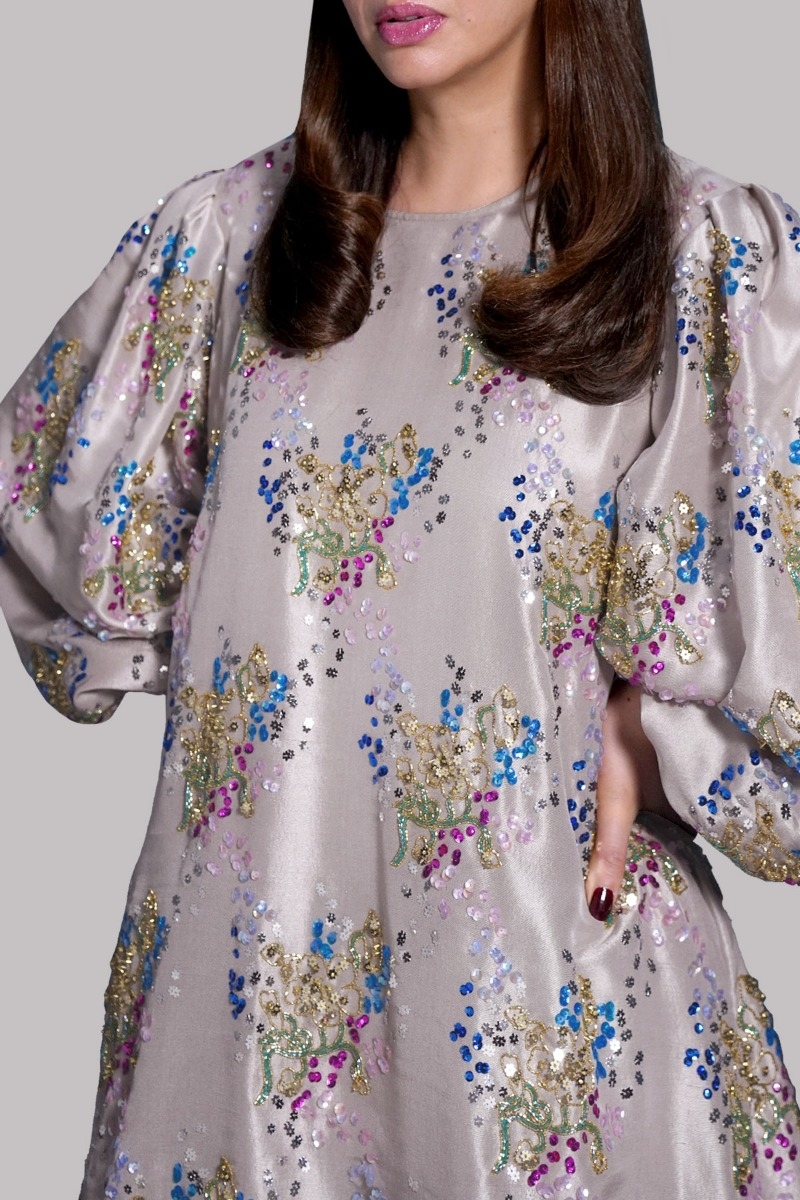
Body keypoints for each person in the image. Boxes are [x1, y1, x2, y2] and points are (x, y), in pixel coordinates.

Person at [0, 1, 798, 1197]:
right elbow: (48, 522)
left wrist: (658, 728)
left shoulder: (700, 261)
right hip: (240, 1044)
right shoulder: (227, 244)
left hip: (548, 1045)